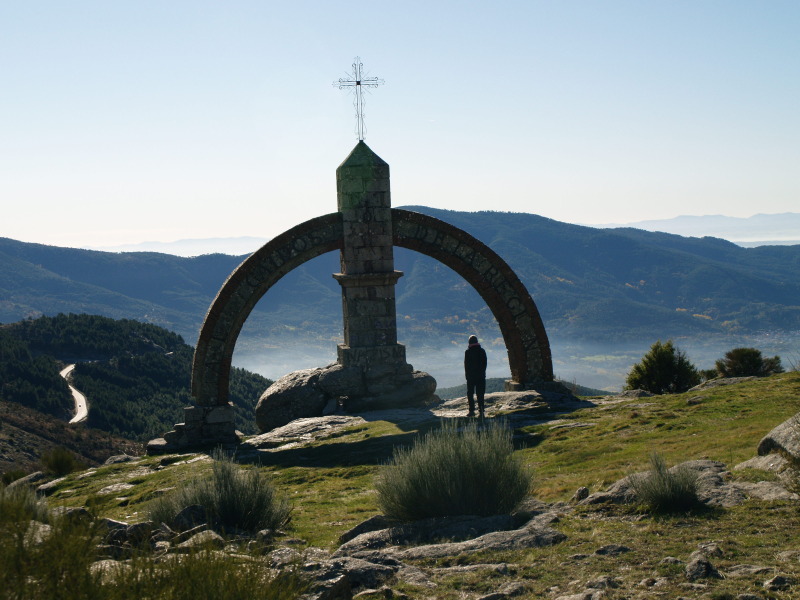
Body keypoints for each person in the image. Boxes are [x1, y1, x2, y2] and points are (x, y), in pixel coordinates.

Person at [464, 334, 487, 418]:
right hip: (480, 376)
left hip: (471, 377)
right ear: (477, 342)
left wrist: (467, 375)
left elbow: (466, 366)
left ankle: (471, 411)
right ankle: (481, 411)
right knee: (480, 393)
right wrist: (482, 373)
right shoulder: (482, 351)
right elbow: (485, 364)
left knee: (470, 393)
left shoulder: (468, 352)